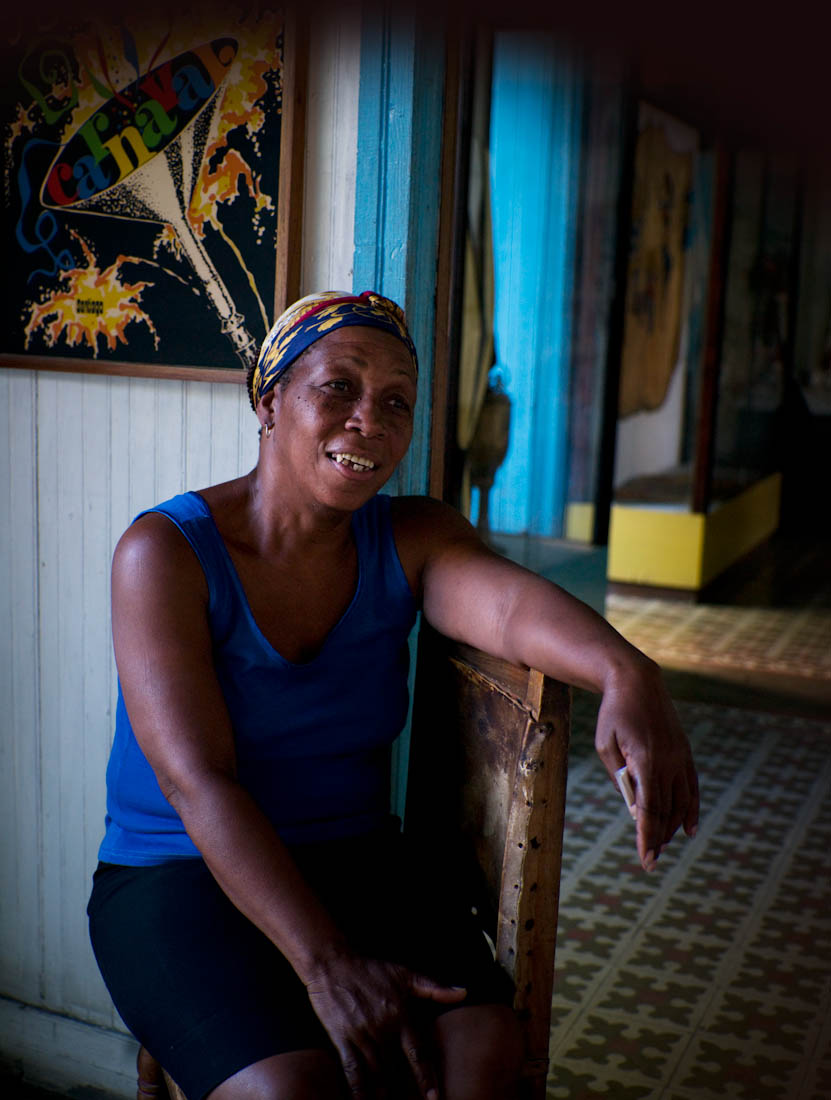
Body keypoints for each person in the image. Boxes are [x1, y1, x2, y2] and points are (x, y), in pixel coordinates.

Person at [88, 290, 699, 1100]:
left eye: (396, 401)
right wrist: (327, 967)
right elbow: (196, 783)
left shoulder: (411, 537)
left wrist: (630, 673)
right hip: (180, 870)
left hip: (357, 859)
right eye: (337, 387)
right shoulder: (165, 553)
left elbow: (512, 609)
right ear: (268, 401)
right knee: (291, 1091)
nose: (368, 420)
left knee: (481, 1053)